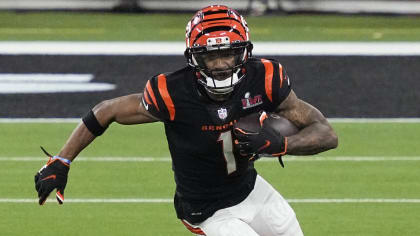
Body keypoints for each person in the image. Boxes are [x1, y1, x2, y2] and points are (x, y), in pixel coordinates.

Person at [34, 5, 338, 236]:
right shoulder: (171, 92)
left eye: (228, 54)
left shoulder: (266, 79)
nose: (219, 65)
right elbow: (106, 110)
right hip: (205, 208)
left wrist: (283, 144)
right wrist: (63, 160)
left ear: (243, 53)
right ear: (194, 58)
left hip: (250, 189)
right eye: (210, 56)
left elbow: (325, 133)